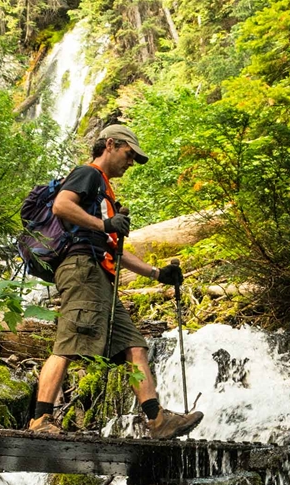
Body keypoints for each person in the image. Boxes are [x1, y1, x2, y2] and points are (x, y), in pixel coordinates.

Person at [29, 124, 204, 440]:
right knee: (69, 341)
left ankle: (157, 420)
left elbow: (114, 249)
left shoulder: (104, 192)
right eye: (129, 154)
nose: (131, 162)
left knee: (134, 345)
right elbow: (61, 205)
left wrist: (157, 274)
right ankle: (40, 418)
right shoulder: (89, 174)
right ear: (110, 144)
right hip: (81, 269)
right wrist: (105, 222)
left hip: (98, 275)